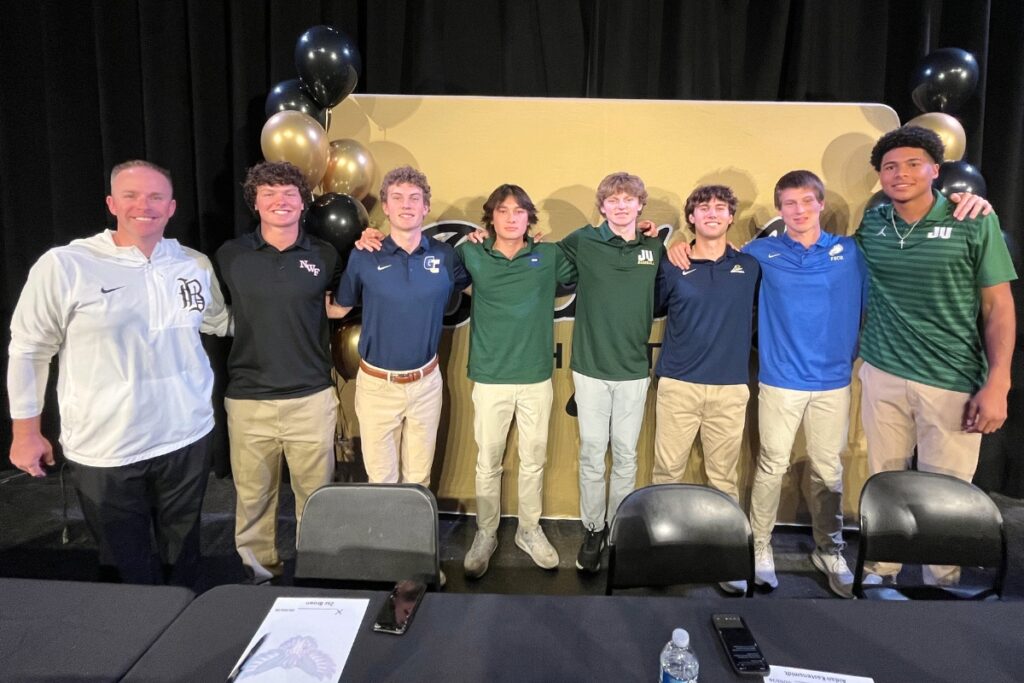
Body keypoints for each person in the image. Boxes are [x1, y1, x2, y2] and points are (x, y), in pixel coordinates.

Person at [7, 160, 231, 586]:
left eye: (156, 197)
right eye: (131, 196)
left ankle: (182, 620)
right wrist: (25, 432)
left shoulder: (194, 264)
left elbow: (219, 321)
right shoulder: (66, 265)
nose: (143, 206)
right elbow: (29, 350)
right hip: (106, 446)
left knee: (184, 558)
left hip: (187, 435)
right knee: (126, 569)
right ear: (112, 203)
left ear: (171, 207)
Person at [856, 125, 1016, 586]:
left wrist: (999, 382)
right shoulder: (873, 224)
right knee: (883, 482)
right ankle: (880, 571)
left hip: (950, 380)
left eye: (913, 164)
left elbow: (998, 308)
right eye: (890, 166)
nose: (900, 173)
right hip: (882, 373)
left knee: (946, 495)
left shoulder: (974, 220)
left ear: (935, 171)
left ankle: (941, 583)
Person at [215, 161, 341, 584]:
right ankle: (259, 575)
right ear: (255, 202)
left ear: (304, 202)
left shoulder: (325, 255)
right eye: (268, 192)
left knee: (317, 499)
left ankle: (315, 576)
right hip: (249, 400)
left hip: (311, 398)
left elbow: (337, 306)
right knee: (253, 499)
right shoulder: (230, 255)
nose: (280, 200)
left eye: (289, 193)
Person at [455, 185, 575, 577]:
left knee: (533, 460)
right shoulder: (471, 253)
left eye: (519, 211)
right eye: (503, 211)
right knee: (488, 461)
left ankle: (528, 530)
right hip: (490, 377)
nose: (511, 218)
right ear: (490, 217)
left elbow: (591, 265)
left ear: (529, 218)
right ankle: (486, 532)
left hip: (536, 377)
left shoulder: (549, 255)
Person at [330, 166, 470, 488]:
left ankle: (414, 526)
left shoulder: (445, 256)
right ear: (386, 206)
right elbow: (339, 308)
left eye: (414, 198)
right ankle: (386, 526)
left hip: (426, 384)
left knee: (419, 480)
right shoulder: (364, 255)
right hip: (378, 386)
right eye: (397, 197)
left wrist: (488, 244)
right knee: (382, 481)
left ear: (425, 207)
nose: (406, 204)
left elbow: (482, 287)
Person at [652, 185, 759, 592]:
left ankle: (724, 556)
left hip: (730, 388)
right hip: (678, 384)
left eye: (720, 208)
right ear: (691, 218)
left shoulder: (750, 266)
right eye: (703, 207)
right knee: (667, 473)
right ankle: (664, 551)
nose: (712, 213)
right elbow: (652, 307)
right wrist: (671, 250)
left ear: (731, 217)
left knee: (723, 478)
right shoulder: (672, 264)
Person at [559, 172, 664, 573]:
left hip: (634, 370)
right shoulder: (583, 241)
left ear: (640, 205)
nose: (621, 206)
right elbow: (543, 261)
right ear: (602, 207)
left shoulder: (654, 246)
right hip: (590, 368)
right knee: (591, 452)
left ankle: (619, 528)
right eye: (613, 200)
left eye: (629, 199)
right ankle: (593, 528)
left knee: (625, 455)